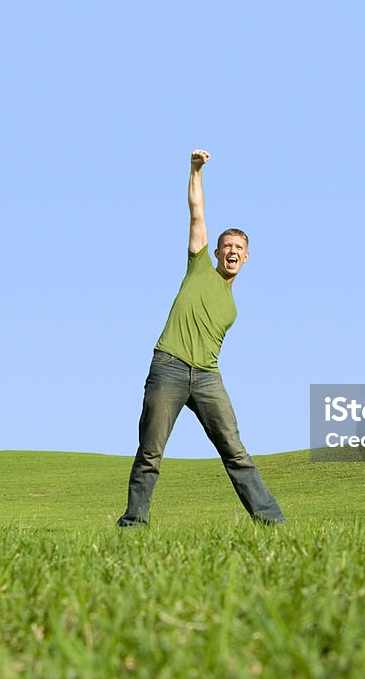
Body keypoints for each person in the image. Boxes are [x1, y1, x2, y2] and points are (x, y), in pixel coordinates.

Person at [117, 149, 286, 527]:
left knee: (235, 451)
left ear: (246, 259)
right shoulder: (198, 268)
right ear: (215, 251)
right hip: (169, 367)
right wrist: (195, 171)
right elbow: (197, 211)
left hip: (207, 377)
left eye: (239, 249)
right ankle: (133, 524)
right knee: (150, 452)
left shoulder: (233, 307)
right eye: (227, 246)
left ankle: (273, 522)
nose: (232, 252)